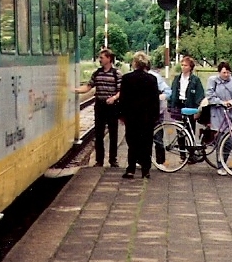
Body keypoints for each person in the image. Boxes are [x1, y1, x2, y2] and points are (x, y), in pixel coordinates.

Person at [113, 51, 160, 179]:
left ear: (134, 63)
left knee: (132, 142)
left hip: (132, 116)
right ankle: (146, 170)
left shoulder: (127, 78)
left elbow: (123, 99)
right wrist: (155, 116)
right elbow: (155, 100)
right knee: (146, 143)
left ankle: (131, 169)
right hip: (147, 117)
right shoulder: (152, 79)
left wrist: (121, 115)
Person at [75, 48, 121, 166]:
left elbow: (121, 91)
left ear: (109, 58)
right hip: (100, 106)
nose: (99, 60)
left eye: (101, 57)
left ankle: (113, 159)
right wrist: (75, 90)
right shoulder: (97, 73)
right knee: (99, 134)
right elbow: (88, 87)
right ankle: (99, 160)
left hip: (112, 106)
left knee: (113, 134)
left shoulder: (117, 74)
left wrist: (114, 98)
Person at [206, 61, 232, 175]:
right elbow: (209, 96)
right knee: (220, 140)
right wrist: (221, 102)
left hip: (231, 116)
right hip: (217, 114)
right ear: (219, 72)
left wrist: (231, 102)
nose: (226, 75)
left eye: (228, 72)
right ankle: (220, 165)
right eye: (223, 73)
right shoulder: (213, 81)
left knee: (229, 142)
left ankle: (222, 162)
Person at [169, 56, 205, 134]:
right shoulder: (177, 78)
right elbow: (172, 92)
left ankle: (190, 145)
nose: (183, 67)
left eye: (185, 65)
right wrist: (171, 105)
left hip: (189, 105)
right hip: (178, 104)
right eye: (182, 65)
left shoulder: (195, 80)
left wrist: (197, 107)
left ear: (190, 67)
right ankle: (181, 145)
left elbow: (200, 94)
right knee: (179, 129)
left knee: (190, 129)